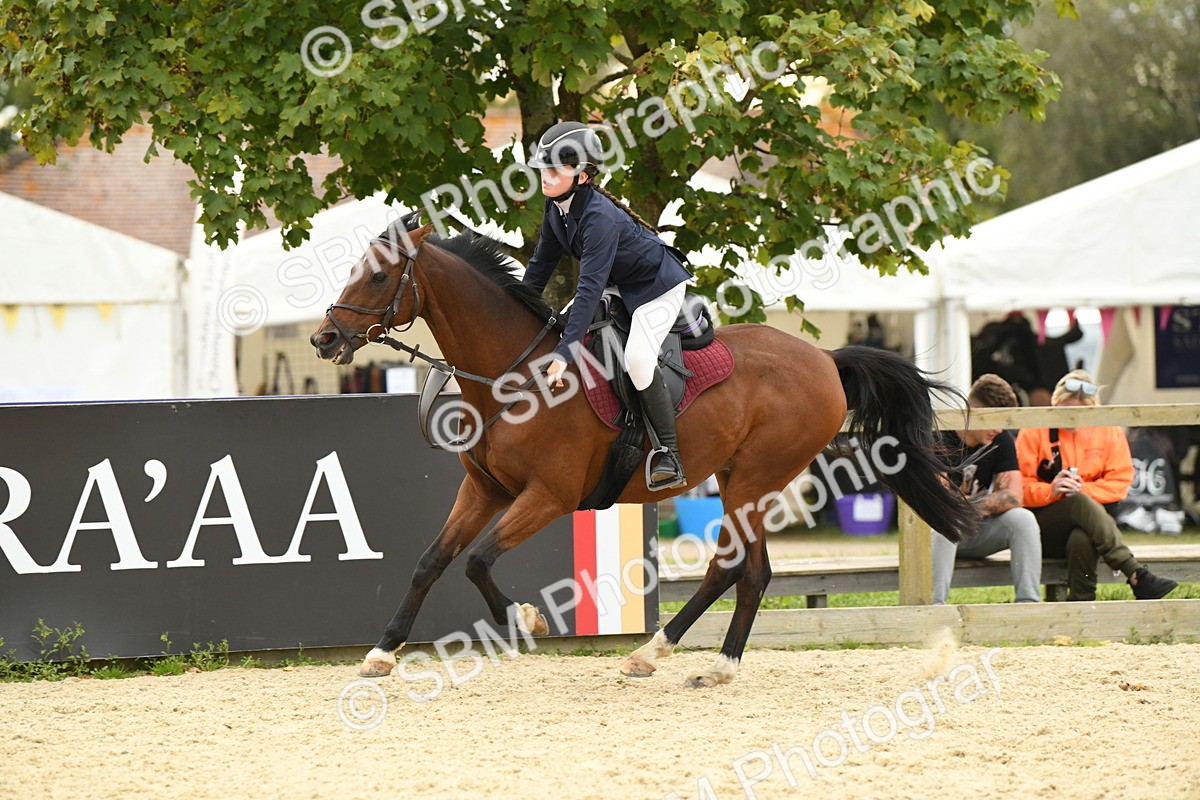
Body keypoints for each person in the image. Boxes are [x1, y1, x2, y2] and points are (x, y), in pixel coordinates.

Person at [521, 121, 693, 491]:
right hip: (618, 286)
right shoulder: (556, 207)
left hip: (655, 287)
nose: (545, 177)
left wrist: (564, 355)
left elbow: (588, 288)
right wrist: (511, 308)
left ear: (582, 176)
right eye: (543, 169)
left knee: (637, 359)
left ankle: (669, 453)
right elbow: (539, 268)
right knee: (559, 327)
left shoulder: (598, 217)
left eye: (555, 170)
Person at [1016, 369, 1178, 600]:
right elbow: (1017, 489)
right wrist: (1051, 491)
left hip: (1093, 528)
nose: (1073, 421)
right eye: (1066, 413)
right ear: (1055, 404)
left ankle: (1081, 603)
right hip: (1043, 526)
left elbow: (1120, 483)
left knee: (1082, 536)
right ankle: (1135, 572)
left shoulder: (1108, 429)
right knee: (1079, 502)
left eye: (1082, 415)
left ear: (1094, 410)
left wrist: (1083, 489)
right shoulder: (1034, 430)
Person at [932, 374, 1042, 604]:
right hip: (936, 537)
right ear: (972, 411)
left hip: (975, 530)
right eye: (993, 420)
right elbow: (939, 504)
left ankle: (1028, 604)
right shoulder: (938, 436)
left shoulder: (1000, 439)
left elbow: (1014, 497)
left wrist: (964, 504)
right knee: (945, 523)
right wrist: (990, 500)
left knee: (1023, 519)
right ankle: (935, 608)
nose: (999, 429)